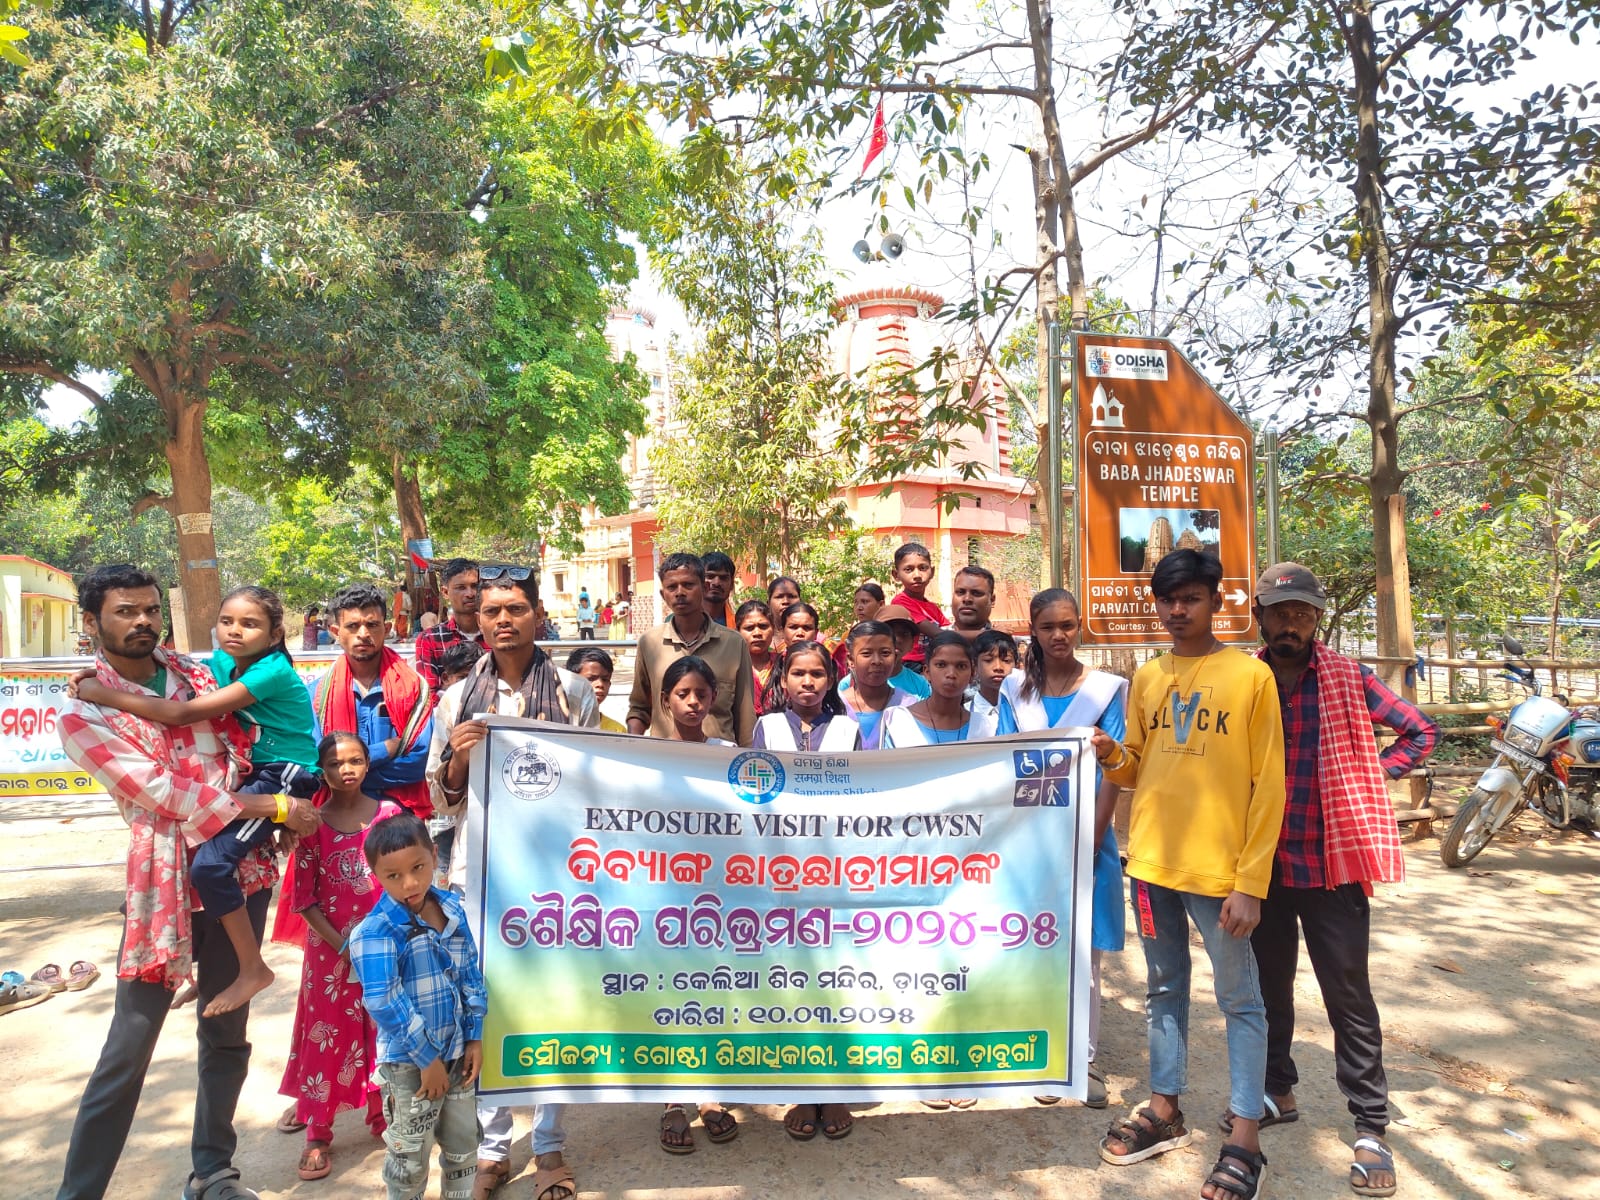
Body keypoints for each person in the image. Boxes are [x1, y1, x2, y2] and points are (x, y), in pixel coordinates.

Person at [55, 563, 320, 1200]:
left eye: (150, 609)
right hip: (163, 881)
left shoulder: (198, 676)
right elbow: (163, 792)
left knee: (225, 1033)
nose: (142, 621)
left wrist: (273, 808)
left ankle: (213, 1172)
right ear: (91, 622)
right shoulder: (81, 713)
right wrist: (270, 808)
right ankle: (79, 1191)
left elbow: (248, 749)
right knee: (129, 1046)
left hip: (236, 873)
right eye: (125, 611)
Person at [1236, 563, 1436, 1198]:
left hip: (1332, 865)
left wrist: (1371, 772)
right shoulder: (1244, 679)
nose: (1291, 624)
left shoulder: (1349, 678)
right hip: (1263, 865)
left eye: (1302, 614)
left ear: (1317, 620)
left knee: (1347, 995)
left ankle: (1371, 1126)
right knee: (1268, 989)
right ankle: (1278, 1091)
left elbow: (1420, 731)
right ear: (1259, 617)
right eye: (1280, 613)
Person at [1093, 549, 1285, 1200]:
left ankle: (1245, 1137)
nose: (1178, 610)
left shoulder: (1250, 677)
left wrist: (1250, 882)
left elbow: (1269, 786)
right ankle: (1165, 1109)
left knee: (1240, 1001)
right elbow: (1137, 767)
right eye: (1168, 600)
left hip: (1220, 876)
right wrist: (1111, 753)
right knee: (1164, 989)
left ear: (1215, 601)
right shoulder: (1149, 676)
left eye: (1191, 598)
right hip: (1151, 865)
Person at [72, 584, 320, 1019]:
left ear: (276, 633)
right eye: (227, 622)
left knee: (209, 867)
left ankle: (252, 968)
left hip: (283, 774)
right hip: (255, 775)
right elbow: (174, 672)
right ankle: (211, 972)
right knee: (201, 866)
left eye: (250, 624)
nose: (235, 631)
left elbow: (182, 714)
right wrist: (98, 673)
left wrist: (102, 692)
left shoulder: (271, 670)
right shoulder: (221, 663)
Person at [426, 565, 594, 1200]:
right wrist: (461, 756)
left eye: (516, 608)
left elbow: (592, 781)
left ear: (537, 615)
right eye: (492, 610)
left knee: (552, 1000)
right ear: (478, 619)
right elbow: (440, 799)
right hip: (480, 869)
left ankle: (548, 1143)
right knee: (485, 1005)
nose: (503, 620)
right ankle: (492, 1150)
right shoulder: (455, 699)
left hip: (556, 870)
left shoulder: (573, 693)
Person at [996, 589, 1125, 1109]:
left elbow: (1115, 768)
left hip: (1089, 836)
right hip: (1029, 841)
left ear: (1080, 625)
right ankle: (1037, 1051)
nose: (1058, 636)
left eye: (1067, 625)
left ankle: (1082, 1059)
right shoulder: (1014, 689)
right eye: (1048, 627)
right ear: (1032, 629)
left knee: (1084, 953)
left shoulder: (1106, 690)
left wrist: (1094, 834)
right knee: (1031, 946)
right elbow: (1003, 760)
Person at [279, 732, 404, 1181]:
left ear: (368, 764)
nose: (345, 770)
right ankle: (317, 1131)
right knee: (326, 1036)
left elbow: (404, 882)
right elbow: (304, 900)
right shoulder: (311, 823)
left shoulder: (389, 816)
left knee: (382, 1028)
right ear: (323, 770)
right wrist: (344, 946)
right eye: (334, 763)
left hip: (384, 948)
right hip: (330, 955)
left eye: (354, 761)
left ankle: (381, 1116)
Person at [350, 815, 487, 1200]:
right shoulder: (376, 932)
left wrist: (475, 1036)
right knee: (409, 1160)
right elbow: (384, 1001)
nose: (409, 883)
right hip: (410, 1065)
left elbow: (470, 972)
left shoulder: (452, 909)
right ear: (376, 875)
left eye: (418, 868)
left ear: (433, 854)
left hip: (457, 1053)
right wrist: (427, 1059)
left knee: (464, 1146)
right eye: (393, 876)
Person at [648, 656, 743, 1152]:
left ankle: (709, 1093)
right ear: (665, 700)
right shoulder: (643, 756)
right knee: (670, 996)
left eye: (700, 695)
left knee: (712, 993)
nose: (692, 703)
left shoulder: (727, 755)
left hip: (720, 893)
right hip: (664, 894)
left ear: (713, 699)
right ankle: (672, 1100)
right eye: (682, 694)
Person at [311, 584, 434, 820]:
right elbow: (317, 763)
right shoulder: (317, 694)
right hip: (336, 821)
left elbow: (421, 760)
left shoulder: (413, 688)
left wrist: (345, 774)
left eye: (372, 625)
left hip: (398, 820)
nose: (363, 633)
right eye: (353, 626)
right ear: (335, 631)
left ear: (386, 629)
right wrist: (384, 750)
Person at [627, 553, 755, 745]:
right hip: (665, 756)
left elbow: (745, 716)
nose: (680, 592)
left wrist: (747, 756)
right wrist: (632, 748)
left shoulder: (734, 644)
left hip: (719, 756)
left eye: (688, 585)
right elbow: (639, 708)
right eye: (672, 587)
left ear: (704, 588)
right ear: (663, 594)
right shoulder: (649, 643)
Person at [882, 631, 996, 747]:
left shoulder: (985, 727)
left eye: (961, 666)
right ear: (927, 672)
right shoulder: (900, 722)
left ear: (972, 674)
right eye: (941, 665)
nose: (951, 674)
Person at [752, 641, 862, 751]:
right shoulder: (769, 727)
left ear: (830, 682)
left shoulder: (847, 729)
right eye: (798, 674)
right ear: (784, 680)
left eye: (817, 674)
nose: (808, 682)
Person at [838, 619, 917, 750]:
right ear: (851, 660)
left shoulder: (908, 706)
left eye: (885, 653)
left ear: (895, 657)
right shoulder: (837, 706)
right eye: (866, 654)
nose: (876, 661)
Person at [414, 559, 485, 691]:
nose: (470, 594)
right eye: (461, 588)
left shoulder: (496, 635)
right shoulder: (429, 639)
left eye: (475, 586)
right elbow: (429, 694)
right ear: (445, 592)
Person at [838, 603, 931, 700]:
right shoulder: (848, 684)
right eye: (889, 631)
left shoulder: (920, 685)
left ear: (912, 644)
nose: (897, 639)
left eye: (904, 634)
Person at [887, 542, 947, 673]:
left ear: (932, 572)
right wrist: (974, 635)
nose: (917, 575)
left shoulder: (933, 607)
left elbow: (948, 629)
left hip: (930, 661)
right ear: (896, 575)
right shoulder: (901, 602)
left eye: (923, 568)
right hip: (910, 664)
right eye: (908, 569)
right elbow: (938, 633)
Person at [566, 646, 627, 733]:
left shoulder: (617, 730)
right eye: (591, 679)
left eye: (605, 679)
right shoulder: (556, 722)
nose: (600, 684)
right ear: (572, 680)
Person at [734, 600, 778, 714]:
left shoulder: (784, 664)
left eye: (763, 626)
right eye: (749, 628)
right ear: (737, 632)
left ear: (773, 629)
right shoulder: (731, 667)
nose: (757, 633)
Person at [969, 628, 1020, 724]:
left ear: (1017, 666)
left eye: (1006, 660)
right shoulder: (961, 714)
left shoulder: (1026, 713)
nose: (998, 667)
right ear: (974, 666)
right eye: (988, 660)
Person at [834, 583, 884, 676]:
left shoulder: (888, 634)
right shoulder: (848, 635)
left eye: (865, 602)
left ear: (881, 604)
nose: (859, 607)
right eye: (856, 602)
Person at [949, 565, 997, 643]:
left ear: (992, 600)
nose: (967, 599)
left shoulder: (1007, 643)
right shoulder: (932, 640)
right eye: (960, 592)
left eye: (976, 593)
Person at [701, 551, 737, 626]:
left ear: (732, 584)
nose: (716, 583)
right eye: (710, 576)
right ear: (698, 581)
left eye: (723, 578)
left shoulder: (738, 625)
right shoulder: (681, 621)